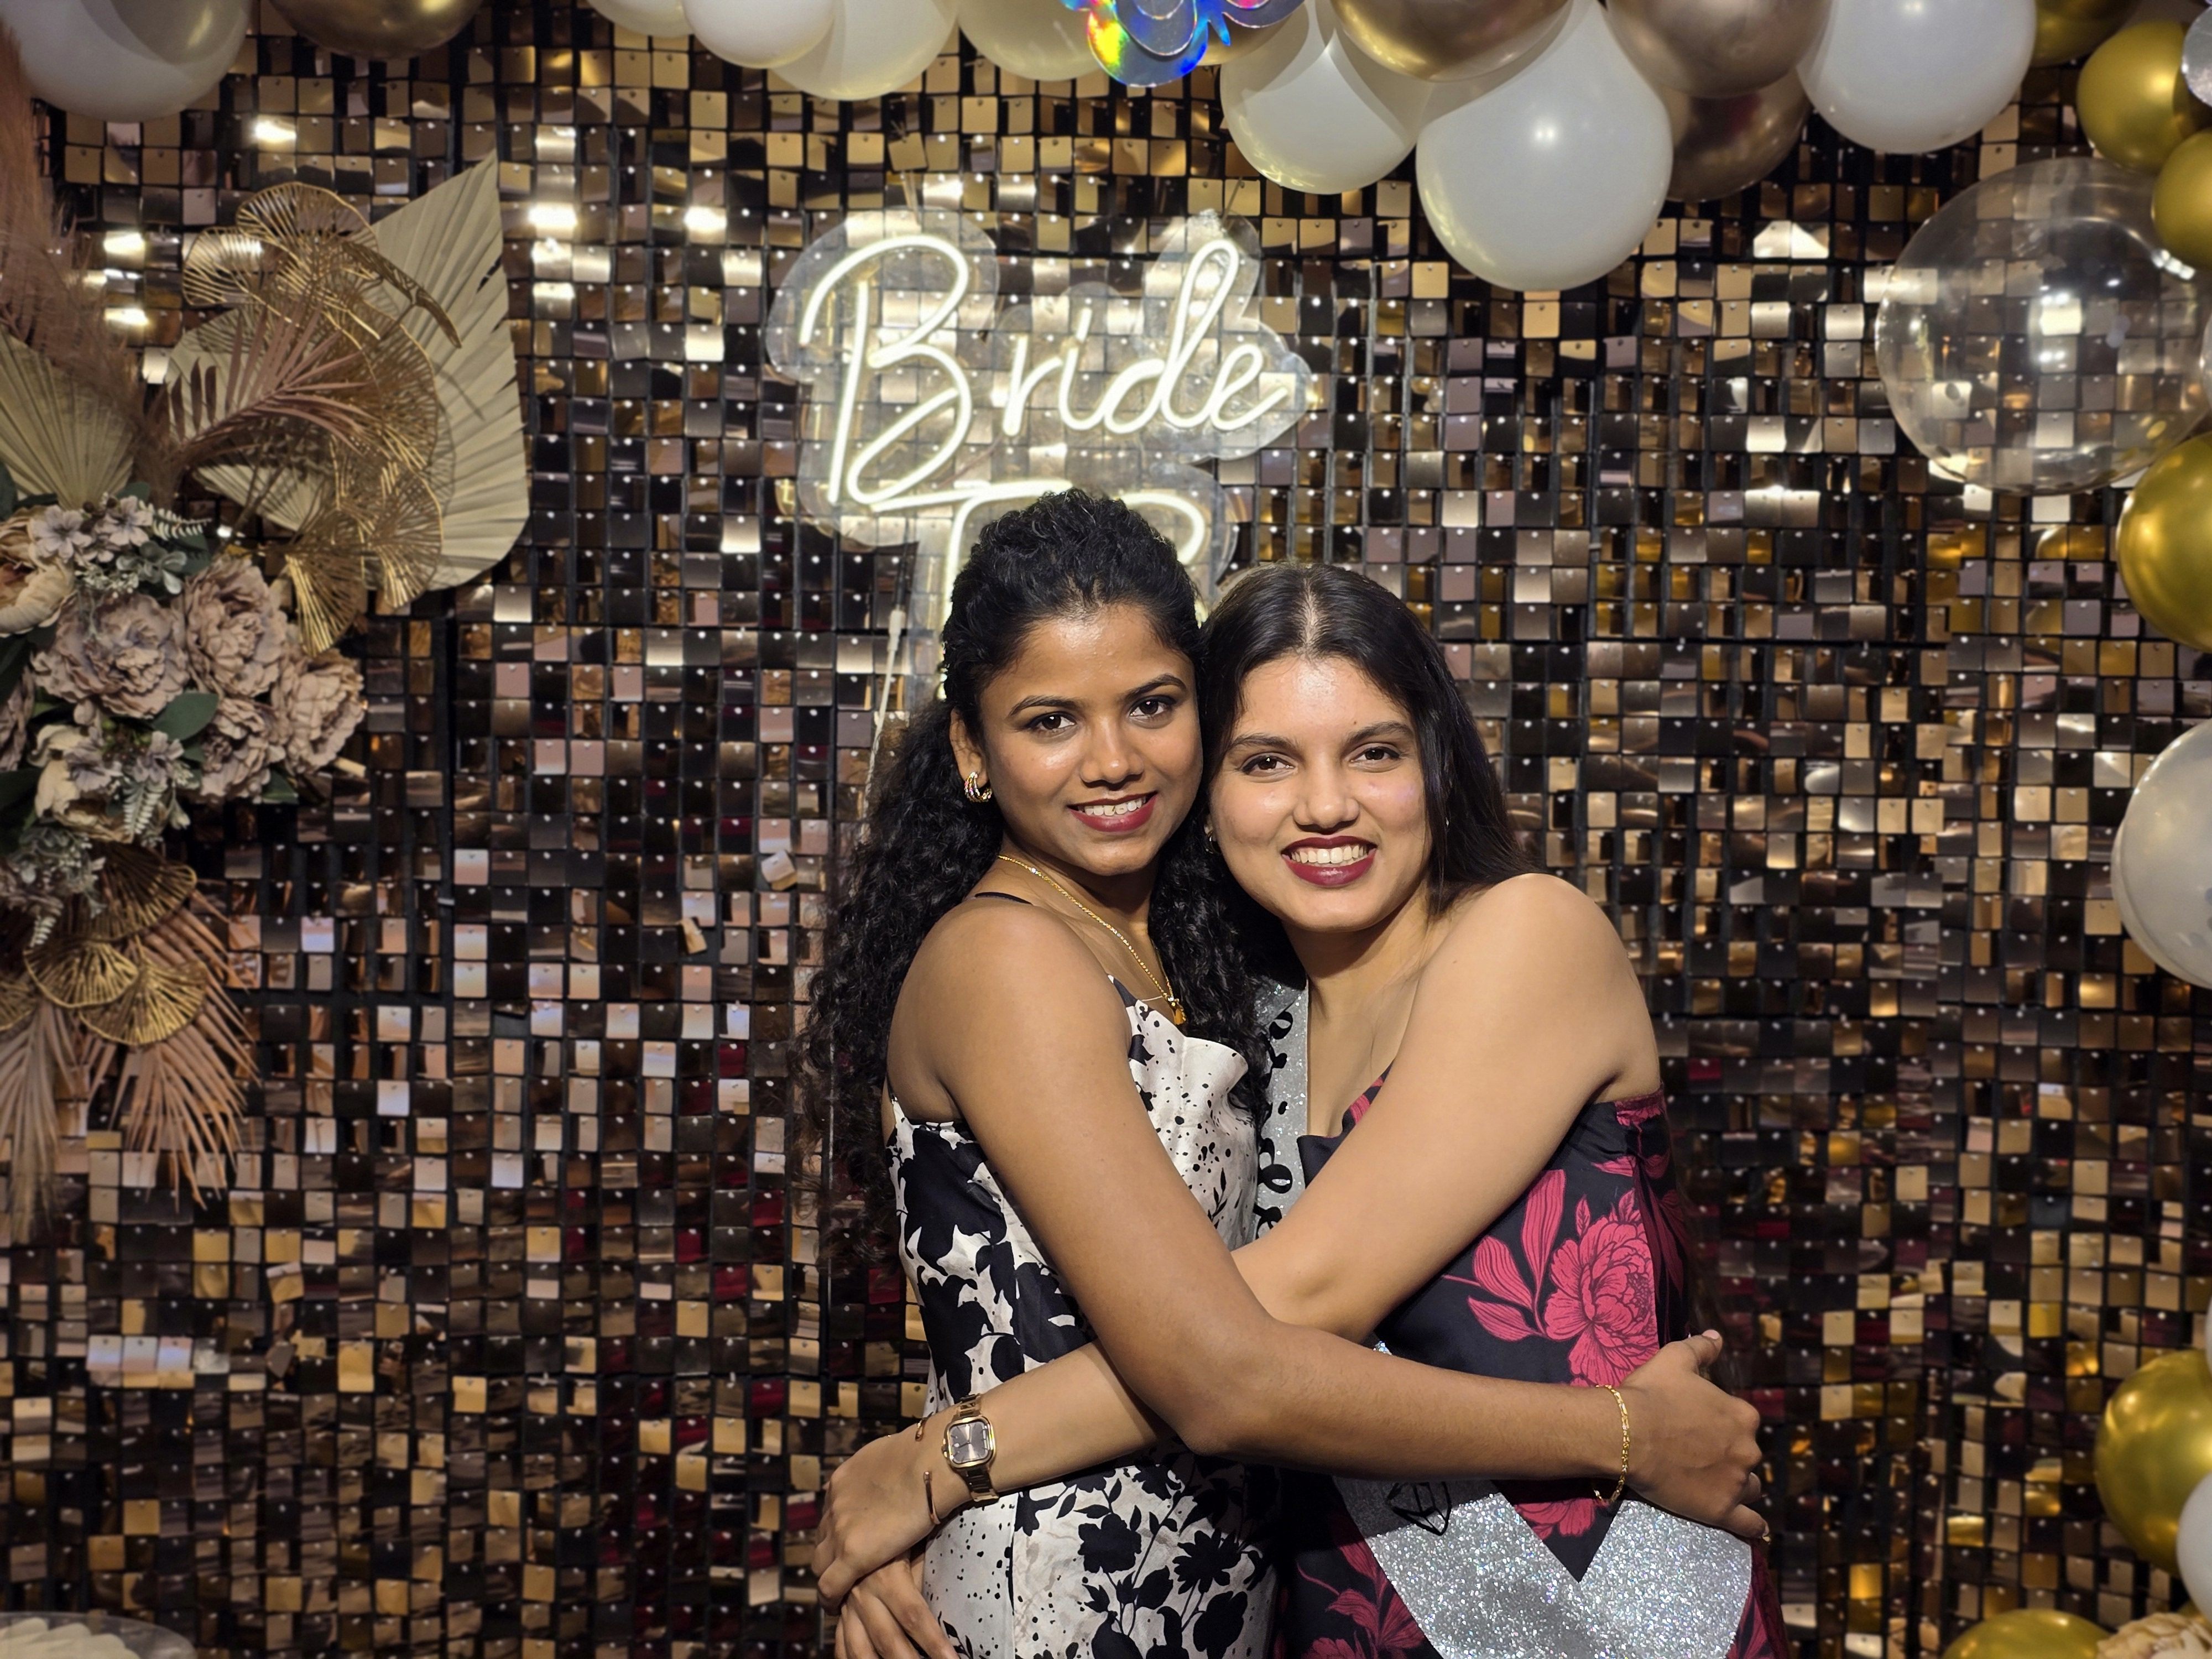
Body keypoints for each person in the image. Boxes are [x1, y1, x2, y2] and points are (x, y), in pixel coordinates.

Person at [799, 493, 1766, 1659]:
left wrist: (938, 1462)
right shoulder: (1252, 1013)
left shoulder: (1528, 937)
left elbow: (1280, 1308)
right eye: (1267, 761)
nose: (1324, 805)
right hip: (1330, 1621)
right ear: (1219, 787)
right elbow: (1183, 1340)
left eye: (1374, 752)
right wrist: (932, 1485)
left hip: (1598, 1613)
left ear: (1436, 762)